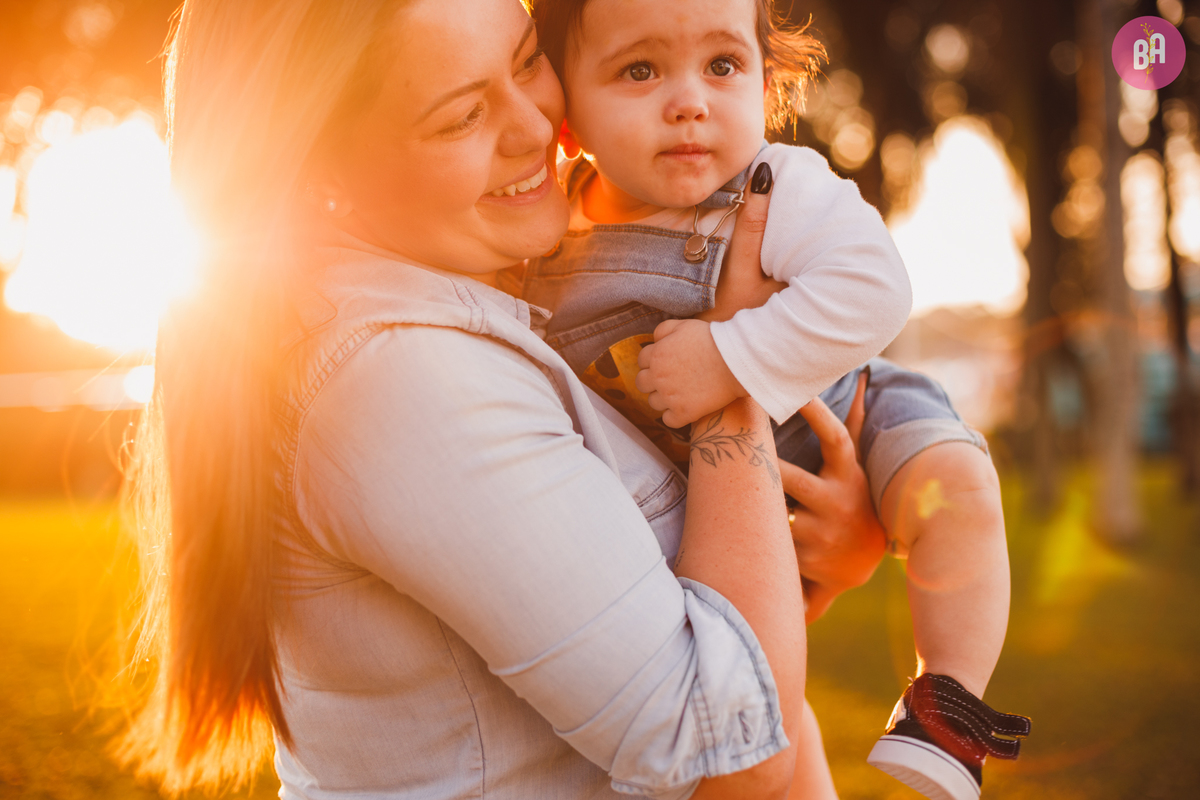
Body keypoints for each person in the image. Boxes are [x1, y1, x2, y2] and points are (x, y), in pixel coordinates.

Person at [115, 0, 883, 798]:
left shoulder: (486, 308)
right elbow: (734, 757)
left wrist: (817, 556)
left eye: (524, 63)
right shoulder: (403, 381)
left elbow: (673, 640)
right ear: (325, 175)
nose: (536, 127)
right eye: (462, 118)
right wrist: (731, 362)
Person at [521, 1, 1032, 797]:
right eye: (640, 70)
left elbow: (875, 289)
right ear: (564, 110)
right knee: (771, 726)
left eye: (722, 67)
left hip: (851, 417)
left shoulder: (778, 185)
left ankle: (947, 712)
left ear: (766, 83)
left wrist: (732, 355)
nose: (689, 100)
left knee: (960, 491)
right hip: (718, 531)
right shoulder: (542, 238)